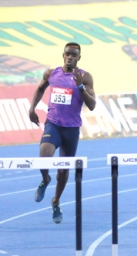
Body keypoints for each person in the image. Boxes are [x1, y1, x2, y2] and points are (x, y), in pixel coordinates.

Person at [29, 42, 96, 224]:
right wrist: (32, 108)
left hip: (72, 130)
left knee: (63, 172)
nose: (70, 57)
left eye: (74, 55)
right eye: (68, 54)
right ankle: (45, 179)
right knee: (44, 156)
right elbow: (40, 88)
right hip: (53, 125)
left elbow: (92, 105)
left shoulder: (85, 77)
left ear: (78, 58)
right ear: (63, 55)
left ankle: (56, 200)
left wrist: (81, 87)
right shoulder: (52, 74)